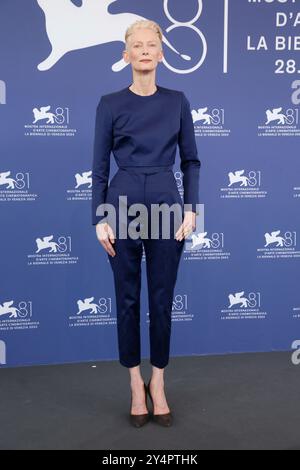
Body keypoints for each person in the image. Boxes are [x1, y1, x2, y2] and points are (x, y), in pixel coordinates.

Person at [92, 19, 201, 427]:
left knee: (161, 300)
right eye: (135, 45)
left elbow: (190, 160)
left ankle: (159, 382)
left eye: (150, 45)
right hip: (119, 205)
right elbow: (99, 168)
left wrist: (192, 210)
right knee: (127, 299)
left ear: (160, 54)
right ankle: (135, 384)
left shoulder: (177, 101)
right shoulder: (110, 103)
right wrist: (98, 218)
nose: (143, 50)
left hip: (166, 204)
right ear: (125, 55)